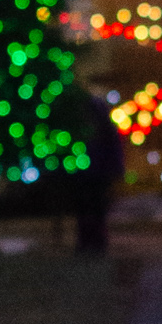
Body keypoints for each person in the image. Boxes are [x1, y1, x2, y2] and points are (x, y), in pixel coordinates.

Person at [71, 87, 125, 254]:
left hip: (93, 175)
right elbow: (115, 151)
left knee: (92, 209)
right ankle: (92, 240)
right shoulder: (100, 129)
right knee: (92, 209)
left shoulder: (95, 130)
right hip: (93, 175)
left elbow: (114, 150)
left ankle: (91, 241)